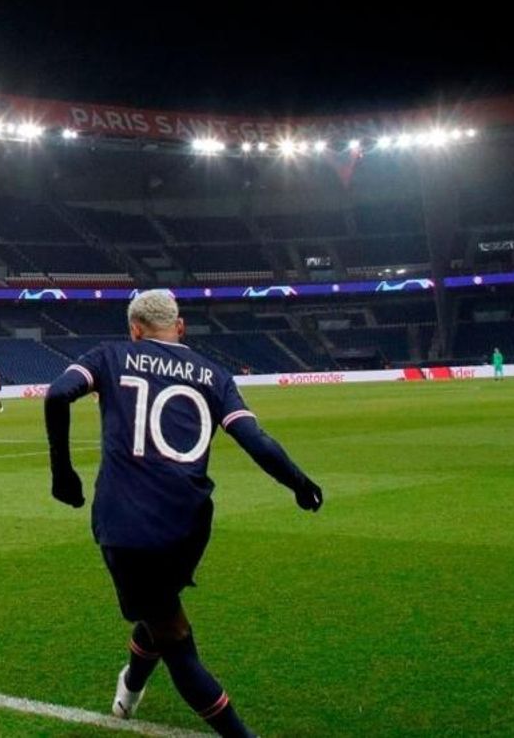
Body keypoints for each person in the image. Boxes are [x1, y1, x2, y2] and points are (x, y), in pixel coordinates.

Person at [43, 289, 323, 734]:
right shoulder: (214, 374)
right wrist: (299, 483)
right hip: (188, 527)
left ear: (134, 330)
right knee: (160, 610)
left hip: (126, 526)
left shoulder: (112, 356)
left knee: (175, 639)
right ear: (181, 326)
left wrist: (63, 474)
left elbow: (58, 395)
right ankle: (130, 689)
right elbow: (255, 440)